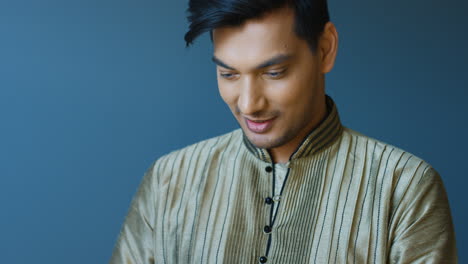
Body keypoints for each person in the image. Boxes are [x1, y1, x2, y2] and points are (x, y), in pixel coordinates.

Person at [110, 0, 457, 263]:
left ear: (325, 49)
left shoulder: (405, 187)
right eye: (228, 74)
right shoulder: (168, 180)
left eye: (274, 72)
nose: (248, 104)